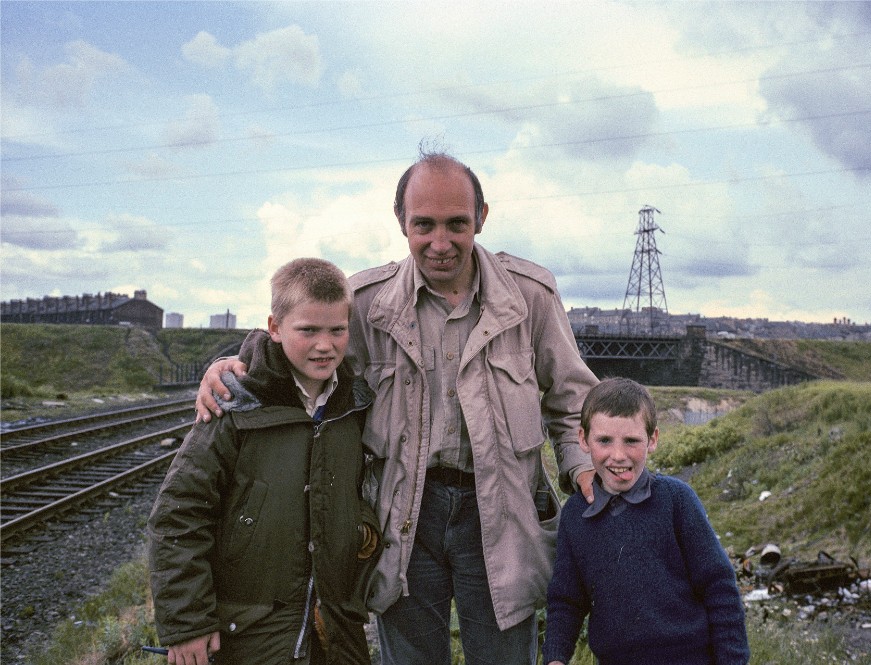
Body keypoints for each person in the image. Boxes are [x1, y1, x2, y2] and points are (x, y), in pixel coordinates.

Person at [195, 148, 600, 664]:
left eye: (457, 224)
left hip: (502, 513)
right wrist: (234, 364)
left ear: (481, 217)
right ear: (401, 222)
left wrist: (584, 469)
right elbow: (303, 352)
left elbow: (574, 401)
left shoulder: (529, 297)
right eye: (423, 225)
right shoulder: (366, 304)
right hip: (403, 516)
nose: (440, 242)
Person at [149, 258, 382, 665]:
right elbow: (179, 515)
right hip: (251, 635)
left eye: (337, 330)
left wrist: (360, 525)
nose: (324, 345)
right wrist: (188, 624)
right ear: (274, 328)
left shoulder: (356, 404)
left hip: (336, 631)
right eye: (307, 330)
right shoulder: (234, 406)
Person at [541, 376, 750, 665]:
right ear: (583, 440)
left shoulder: (678, 500)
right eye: (604, 440)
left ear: (652, 440)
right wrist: (555, 658)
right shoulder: (576, 515)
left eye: (631, 441)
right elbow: (566, 601)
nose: (618, 455)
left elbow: (720, 588)